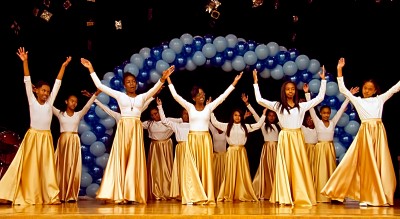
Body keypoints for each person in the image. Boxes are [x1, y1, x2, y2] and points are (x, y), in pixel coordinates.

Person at [80, 58, 174, 204]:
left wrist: (162, 78)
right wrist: (90, 68)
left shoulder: (142, 97)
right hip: (124, 130)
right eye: (128, 82)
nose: (131, 83)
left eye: (133, 81)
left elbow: (153, 90)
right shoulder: (120, 96)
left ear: (136, 83)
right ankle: (118, 193)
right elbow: (99, 85)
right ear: (124, 85)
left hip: (135, 130)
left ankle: (132, 193)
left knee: (134, 161)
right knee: (120, 159)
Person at [321, 57, 399, 207]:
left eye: (370, 89)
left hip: (379, 132)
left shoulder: (380, 99)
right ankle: (365, 194)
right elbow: (343, 89)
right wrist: (339, 69)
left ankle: (380, 194)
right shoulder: (358, 100)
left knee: (380, 163)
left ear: (375, 90)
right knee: (365, 163)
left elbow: (395, 89)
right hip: (366, 133)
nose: (367, 91)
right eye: (365, 88)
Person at [0, 47, 71, 205]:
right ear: (36, 90)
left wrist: (63, 67)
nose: (46, 93)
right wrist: (25, 62)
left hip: (45, 137)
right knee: (31, 168)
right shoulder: (32, 100)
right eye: (43, 91)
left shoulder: (49, 102)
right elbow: (27, 79)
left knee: (46, 168)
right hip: (33, 137)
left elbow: (58, 82)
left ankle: (50, 195)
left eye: (48, 91)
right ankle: (30, 194)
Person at [252, 67, 326, 206]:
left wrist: (323, 80)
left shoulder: (301, 106)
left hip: (297, 137)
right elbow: (259, 100)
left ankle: (300, 194)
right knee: (285, 166)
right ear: (284, 91)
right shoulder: (278, 106)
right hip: (285, 137)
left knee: (298, 165)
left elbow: (320, 98)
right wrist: (255, 83)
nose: (290, 91)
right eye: (288, 89)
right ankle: (284, 194)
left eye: (292, 89)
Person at [166, 72, 243, 205]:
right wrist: (168, 79)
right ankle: (192, 195)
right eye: (199, 94)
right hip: (193, 139)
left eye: (203, 94)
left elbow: (223, 97)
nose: (202, 96)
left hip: (205, 140)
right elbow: (175, 96)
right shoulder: (189, 107)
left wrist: (234, 83)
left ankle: (205, 194)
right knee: (192, 167)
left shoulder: (209, 108)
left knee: (205, 167)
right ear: (193, 97)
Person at [304, 84, 358, 203]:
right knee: (320, 172)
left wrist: (349, 96)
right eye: (324, 113)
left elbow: (340, 110)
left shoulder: (333, 122)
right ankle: (319, 195)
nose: (326, 115)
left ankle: (330, 194)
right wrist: (307, 93)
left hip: (329, 148)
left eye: (328, 113)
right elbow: (311, 109)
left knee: (330, 171)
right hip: (320, 148)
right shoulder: (317, 122)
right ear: (321, 113)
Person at [52, 90, 99, 202]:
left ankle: (71, 194)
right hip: (63, 141)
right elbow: (49, 104)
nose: (74, 103)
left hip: (74, 142)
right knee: (62, 168)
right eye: (72, 101)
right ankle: (61, 193)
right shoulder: (60, 114)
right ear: (66, 101)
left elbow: (87, 106)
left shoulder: (78, 114)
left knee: (72, 168)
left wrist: (96, 94)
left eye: (76, 102)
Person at [211, 108, 266, 202]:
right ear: (232, 116)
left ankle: (242, 192)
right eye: (235, 115)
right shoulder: (227, 126)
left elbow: (258, 125)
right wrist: (211, 110)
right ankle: (229, 192)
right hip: (231, 152)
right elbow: (215, 122)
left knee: (242, 172)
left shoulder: (245, 127)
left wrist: (264, 114)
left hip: (241, 152)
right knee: (230, 173)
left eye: (239, 115)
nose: (237, 117)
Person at [242, 93, 281, 201]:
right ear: (267, 116)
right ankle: (265, 192)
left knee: (277, 170)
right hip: (267, 149)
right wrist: (247, 103)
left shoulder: (280, 125)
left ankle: (277, 191)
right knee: (267, 171)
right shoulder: (263, 125)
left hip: (277, 149)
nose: (272, 117)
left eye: (273, 115)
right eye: (269, 115)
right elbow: (255, 115)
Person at [142, 98, 182, 201]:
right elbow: (136, 123)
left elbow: (182, 120)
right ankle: (156, 192)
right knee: (155, 170)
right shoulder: (149, 123)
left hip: (166, 146)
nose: (154, 116)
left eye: (156, 113)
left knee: (166, 169)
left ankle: (168, 191)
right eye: (152, 115)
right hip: (155, 147)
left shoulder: (169, 120)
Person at [156, 98, 190, 201]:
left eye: (188, 113)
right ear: (181, 115)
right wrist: (160, 107)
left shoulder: (194, 125)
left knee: (190, 171)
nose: (186, 116)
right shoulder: (177, 125)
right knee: (180, 171)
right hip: (180, 150)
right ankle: (180, 193)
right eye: (184, 113)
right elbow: (165, 121)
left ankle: (190, 192)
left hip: (191, 149)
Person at [208, 122, 227, 198]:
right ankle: (215, 192)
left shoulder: (226, 131)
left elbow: (235, 126)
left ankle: (223, 192)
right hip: (215, 156)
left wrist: (244, 118)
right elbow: (208, 122)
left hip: (224, 156)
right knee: (215, 175)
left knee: (223, 175)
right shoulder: (214, 131)